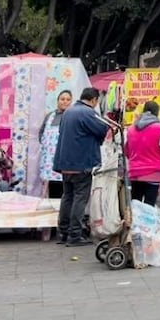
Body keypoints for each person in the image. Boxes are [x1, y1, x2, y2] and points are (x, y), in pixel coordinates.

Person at [52, 87, 109, 246]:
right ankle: (75, 235)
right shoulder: (88, 113)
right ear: (94, 100)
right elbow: (101, 129)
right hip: (80, 163)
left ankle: (63, 232)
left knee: (67, 196)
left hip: (65, 163)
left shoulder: (68, 112)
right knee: (79, 198)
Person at [125, 101, 160, 207]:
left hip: (135, 173)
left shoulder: (131, 129)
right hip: (154, 173)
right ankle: (147, 224)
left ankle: (136, 223)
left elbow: (127, 151)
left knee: (135, 204)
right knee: (149, 206)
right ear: (157, 113)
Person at [38, 89, 73, 198]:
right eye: (62, 99)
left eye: (68, 99)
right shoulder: (50, 116)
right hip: (50, 161)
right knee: (53, 189)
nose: (65, 102)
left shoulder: (73, 116)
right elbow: (41, 134)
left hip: (67, 159)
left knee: (66, 190)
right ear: (58, 101)